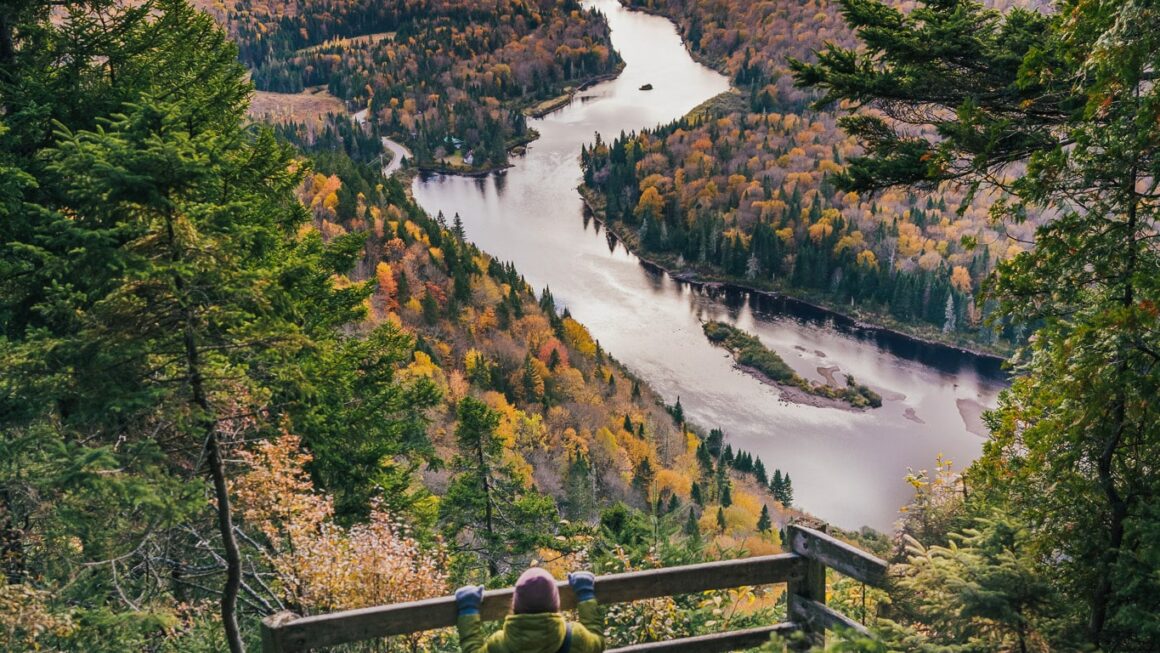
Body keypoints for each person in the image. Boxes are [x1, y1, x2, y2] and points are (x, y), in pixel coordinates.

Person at [455, 568, 605, 653]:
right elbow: (598, 644)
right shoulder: (576, 638)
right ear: (556, 603)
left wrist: (468, 609)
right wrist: (585, 593)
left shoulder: (500, 645)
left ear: (515, 605)